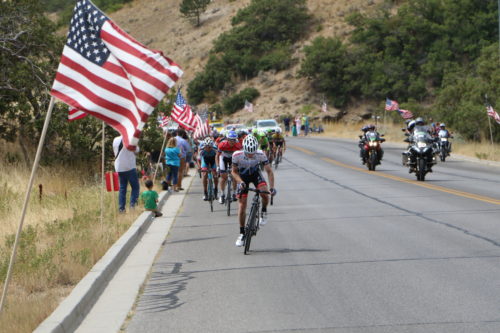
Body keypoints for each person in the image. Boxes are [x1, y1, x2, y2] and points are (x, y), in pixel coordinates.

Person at [232, 135, 276, 247]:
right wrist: (240, 182)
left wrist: (271, 188)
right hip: (242, 177)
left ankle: (264, 211)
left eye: (253, 153)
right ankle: (242, 233)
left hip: (255, 175)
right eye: (248, 153)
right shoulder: (237, 155)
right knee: (242, 206)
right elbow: (234, 172)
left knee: (265, 194)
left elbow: (269, 172)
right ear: (244, 149)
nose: (251, 155)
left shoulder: (261, 154)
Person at [113, 135, 140, 212]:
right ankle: (132, 206)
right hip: (130, 166)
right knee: (135, 187)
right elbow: (137, 150)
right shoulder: (131, 140)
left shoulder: (115, 139)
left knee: (122, 188)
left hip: (119, 167)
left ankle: (121, 208)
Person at [216, 130, 242, 204]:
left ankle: (234, 193)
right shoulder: (222, 145)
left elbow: (240, 157)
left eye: (234, 140)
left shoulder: (238, 145)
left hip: (233, 159)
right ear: (227, 139)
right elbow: (217, 155)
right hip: (223, 159)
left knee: (234, 176)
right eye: (230, 140)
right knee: (223, 177)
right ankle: (222, 195)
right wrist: (218, 166)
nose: (232, 142)